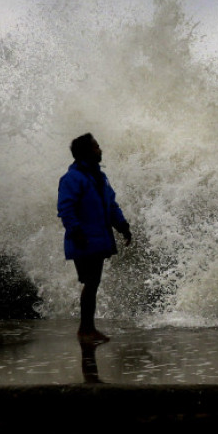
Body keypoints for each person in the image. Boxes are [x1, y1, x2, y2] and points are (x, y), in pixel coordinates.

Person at [57, 133, 132, 343]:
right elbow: (66, 208)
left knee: (92, 282)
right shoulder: (72, 178)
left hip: (98, 239)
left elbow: (111, 205)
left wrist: (123, 226)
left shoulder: (100, 177)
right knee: (91, 282)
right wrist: (77, 233)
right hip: (84, 239)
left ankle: (88, 329)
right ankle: (86, 330)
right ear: (86, 152)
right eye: (96, 147)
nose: (100, 150)